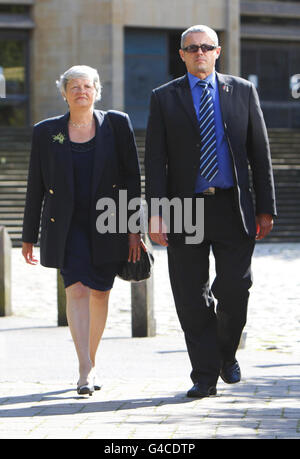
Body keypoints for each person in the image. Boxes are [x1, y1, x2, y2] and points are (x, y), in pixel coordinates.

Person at [145, 25, 276, 398]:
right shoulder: (164, 97)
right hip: (184, 207)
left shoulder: (243, 91)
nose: (199, 53)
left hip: (233, 205)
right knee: (189, 294)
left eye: (206, 47)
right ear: (182, 54)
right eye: (192, 48)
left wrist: (265, 207)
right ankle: (204, 374)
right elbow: (155, 159)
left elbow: (260, 154)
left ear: (218, 52)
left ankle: (225, 353)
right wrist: (155, 211)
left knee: (235, 287)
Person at [22, 65, 142, 396]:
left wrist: (134, 229)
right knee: (75, 288)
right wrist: (29, 235)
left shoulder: (117, 124)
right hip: (67, 224)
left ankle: (92, 357)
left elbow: (133, 179)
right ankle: (84, 368)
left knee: (100, 291)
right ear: (63, 92)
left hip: (109, 221)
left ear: (96, 90)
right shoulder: (48, 132)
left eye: (87, 86)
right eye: (73, 86)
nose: (80, 91)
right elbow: (37, 185)